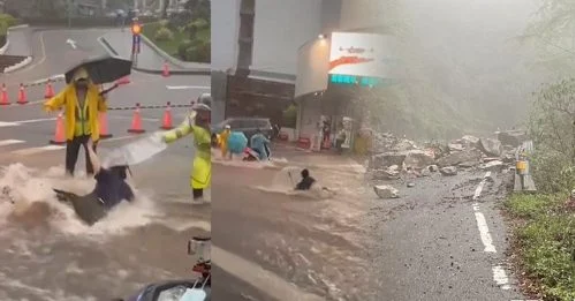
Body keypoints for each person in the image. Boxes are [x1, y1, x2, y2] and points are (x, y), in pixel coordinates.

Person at [53, 139, 134, 226]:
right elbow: (134, 201)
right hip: (100, 215)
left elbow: (96, 164)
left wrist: (89, 149)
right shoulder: (126, 188)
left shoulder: (107, 175)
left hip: (89, 206)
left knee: (59, 196)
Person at [44, 68, 108, 177]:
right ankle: (69, 180)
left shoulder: (94, 91)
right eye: (80, 81)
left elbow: (102, 108)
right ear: (75, 81)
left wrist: (103, 99)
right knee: (70, 161)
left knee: (91, 161)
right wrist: (49, 106)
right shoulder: (69, 91)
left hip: (90, 132)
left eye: (84, 81)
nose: (82, 84)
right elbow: (58, 99)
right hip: (74, 132)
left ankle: (91, 180)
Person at [162, 98, 212, 204]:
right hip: (202, 154)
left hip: (217, 154)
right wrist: (166, 137)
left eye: (204, 111)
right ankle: (198, 200)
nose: (201, 114)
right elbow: (180, 131)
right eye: (199, 111)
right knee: (198, 175)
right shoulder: (193, 119)